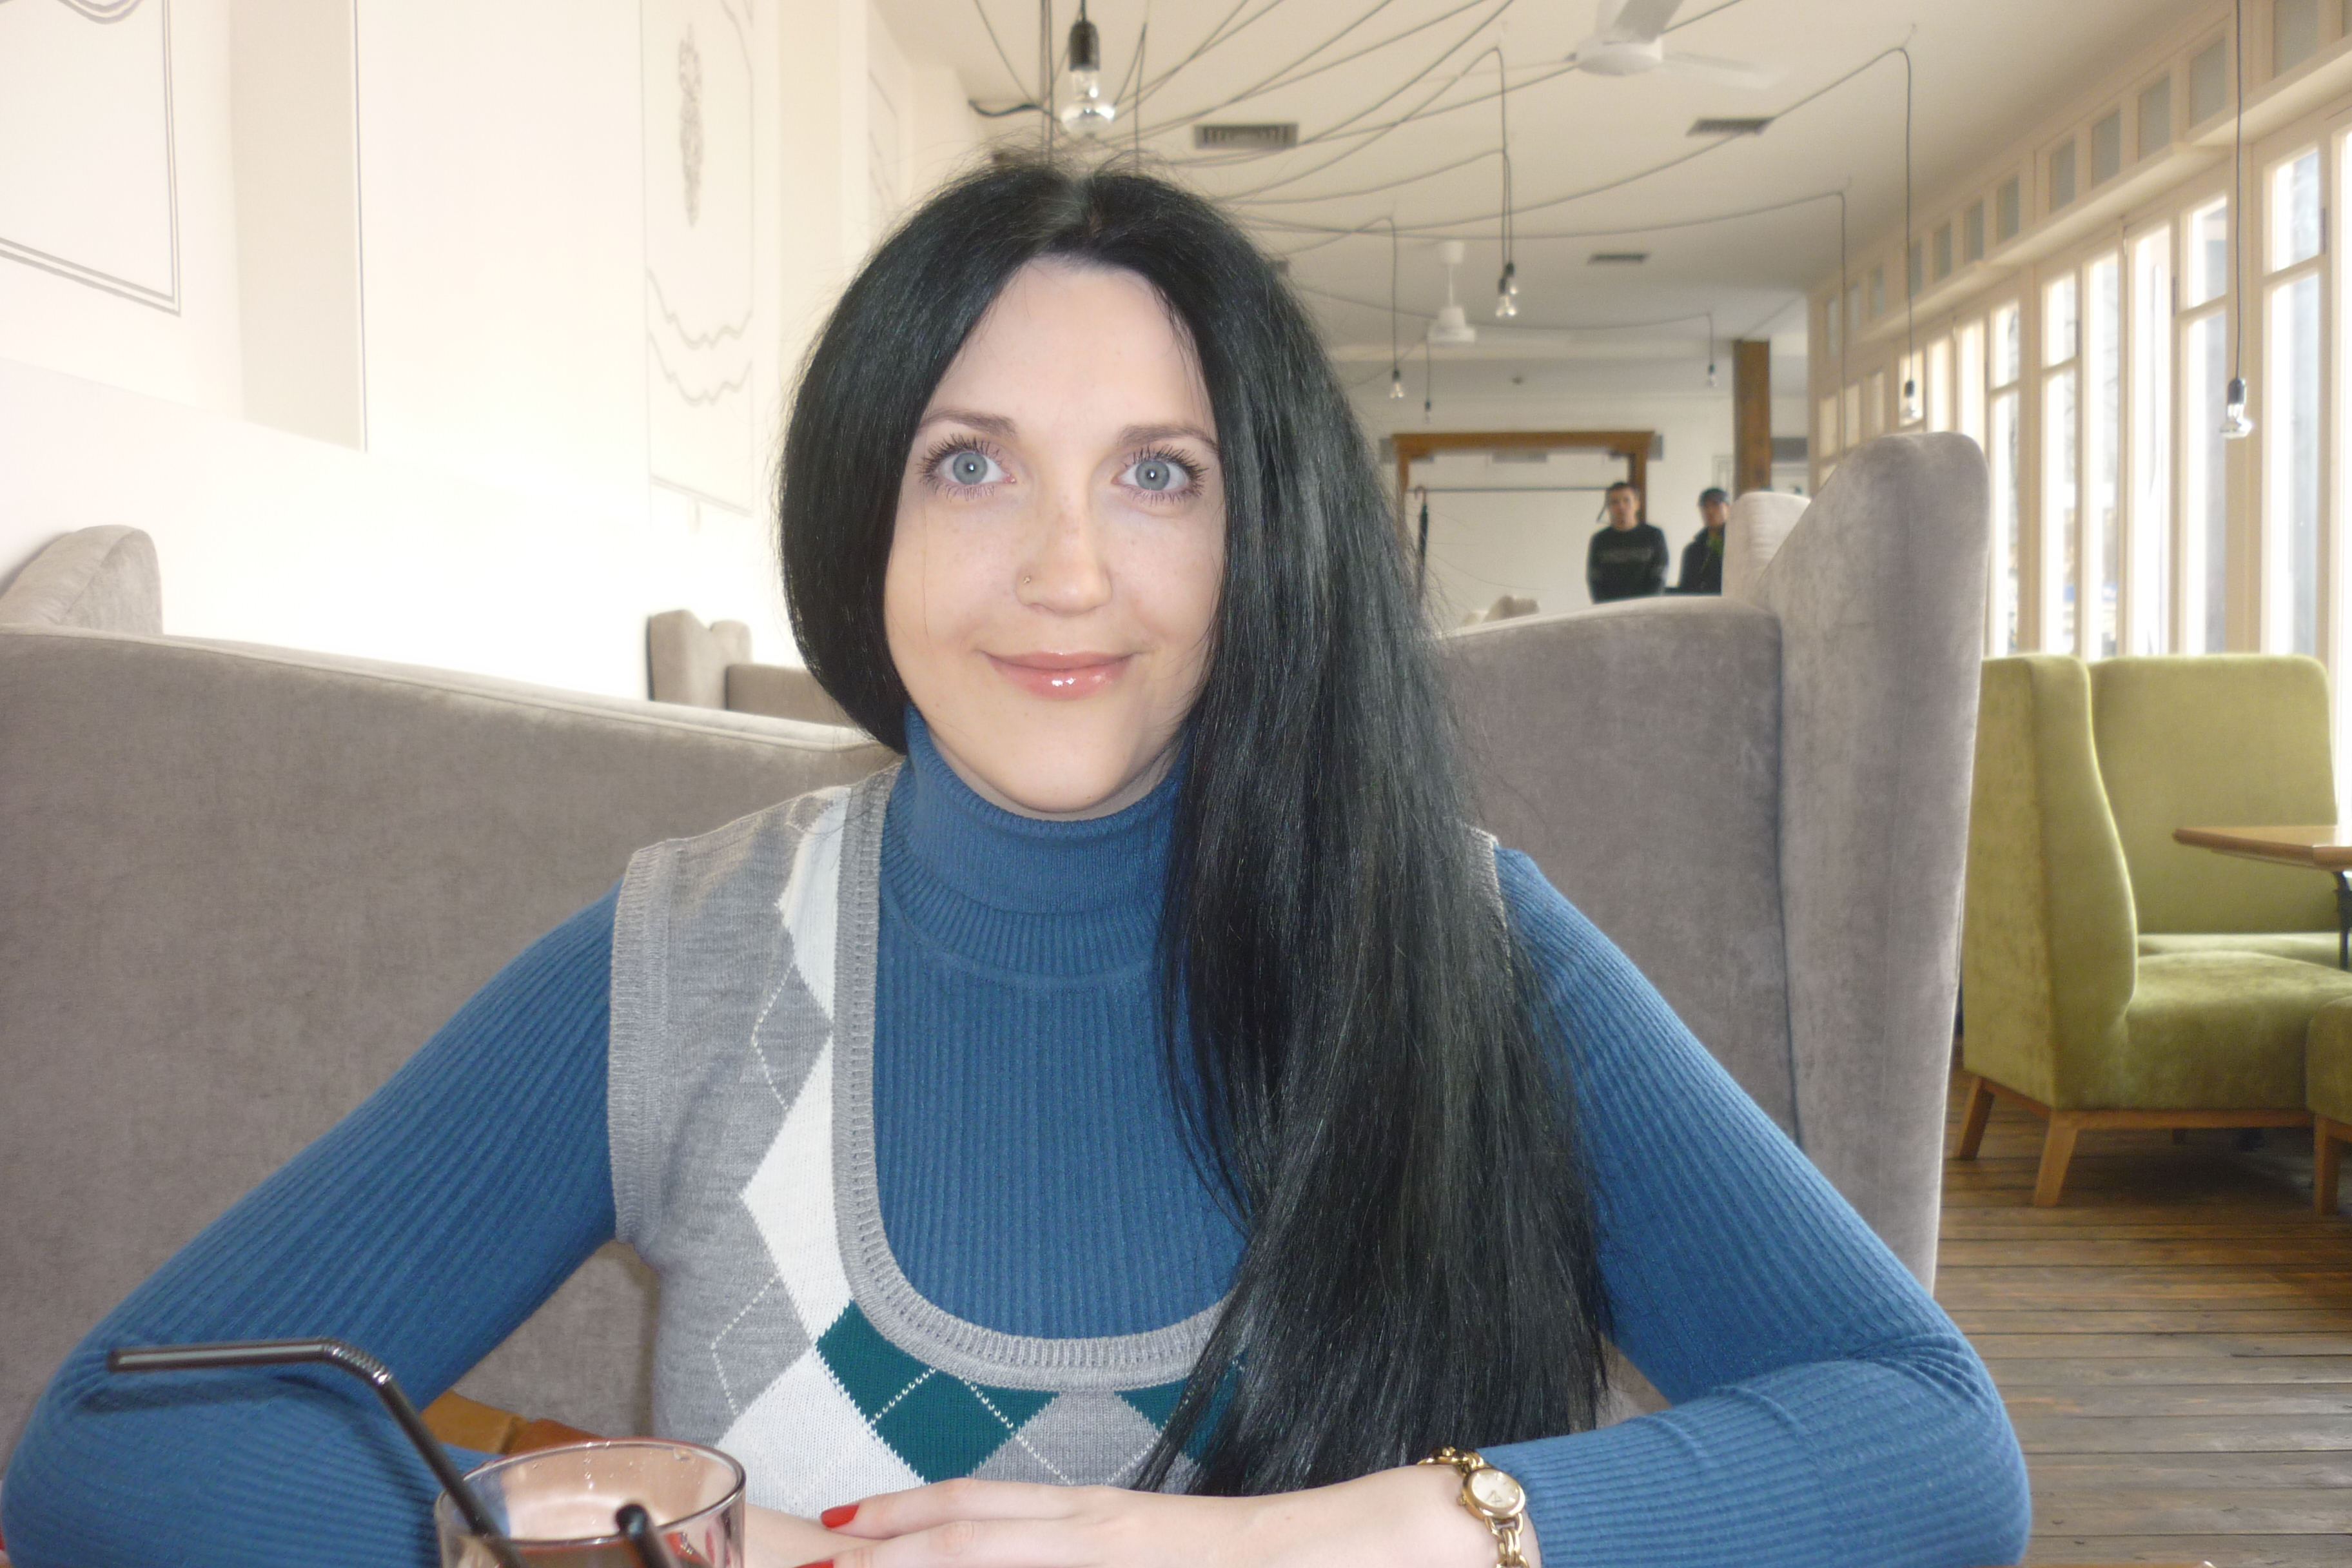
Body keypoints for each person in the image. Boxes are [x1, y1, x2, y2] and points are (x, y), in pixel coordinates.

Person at [4, 159, 2030, 1568]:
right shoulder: (693, 958)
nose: (1066, 567)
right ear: (861, 521)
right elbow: (113, 1442)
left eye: (1159, 474)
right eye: (968, 463)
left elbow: (1935, 1448)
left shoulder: (1469, 944)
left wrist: (1341, 1538)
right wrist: (547, 1540)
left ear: (1267, 533)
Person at [1583, 482, 1669, 603]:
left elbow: (1659, 576)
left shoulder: (1654, 536)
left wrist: (1645, 606)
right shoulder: (1600, 540)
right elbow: (1594, 580)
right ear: (1609, 507)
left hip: (1647, 608)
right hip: (1610, 609)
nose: (1621, 507)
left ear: (1637, 504)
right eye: (1615, 502)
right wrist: (1605, 608)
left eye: (1626, 500)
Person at [1676, 487, 1732, 595]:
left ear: (1729, 508)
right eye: (1705, 506)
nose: (1710, 511)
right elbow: (1685, 589)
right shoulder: (1693, 550)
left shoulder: (1737, 543)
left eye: (1716, 505)